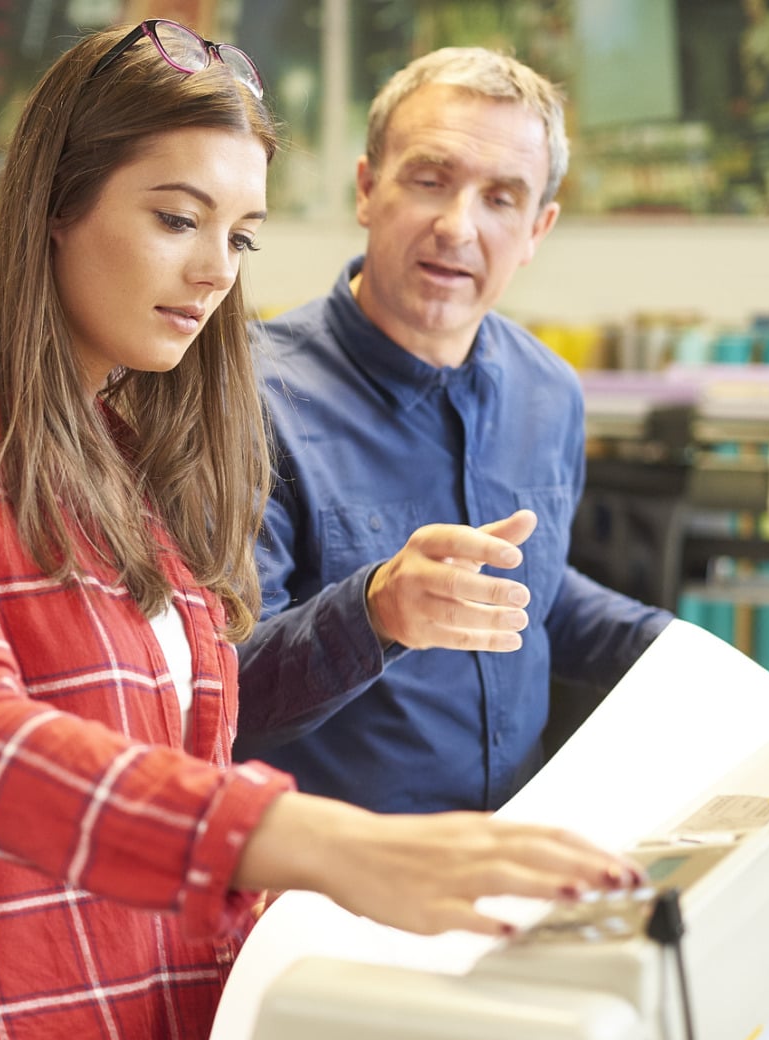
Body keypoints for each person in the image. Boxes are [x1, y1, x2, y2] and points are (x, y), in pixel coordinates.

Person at [0, 23, 641, 1040]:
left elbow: (199, 712)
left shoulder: (133, 444)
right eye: (174, 218)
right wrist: (326, 840)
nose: (212, 274)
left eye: (240, 236)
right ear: (53, 201)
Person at [236, 48, 671, 816]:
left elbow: (536, 593)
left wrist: (686, 657)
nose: (457, 225)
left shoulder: (549, 391)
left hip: (516, 857)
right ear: (369, 188)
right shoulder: (250, 397)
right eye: (430, 180)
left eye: (501, 198)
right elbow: (219, 694)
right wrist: (374, 612)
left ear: (538, 229)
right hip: (330, 889)